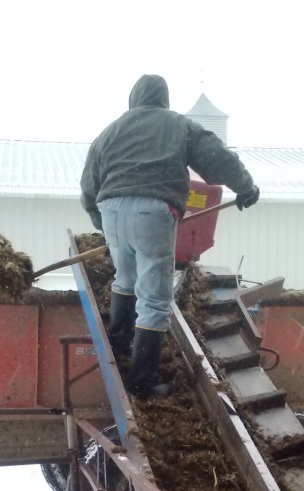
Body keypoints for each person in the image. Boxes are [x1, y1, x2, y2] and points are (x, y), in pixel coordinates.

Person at [80, 74, 260, 398]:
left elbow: (89, 185)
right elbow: (217, 159)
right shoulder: (178, 125)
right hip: (153, 210)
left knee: (125, 277)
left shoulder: (109, 132)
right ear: (163, 99)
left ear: (133, 99)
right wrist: (245, 187)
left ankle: (118, 343)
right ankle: (142, 381)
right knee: (154, 298)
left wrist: (102, 224)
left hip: (111, 209)